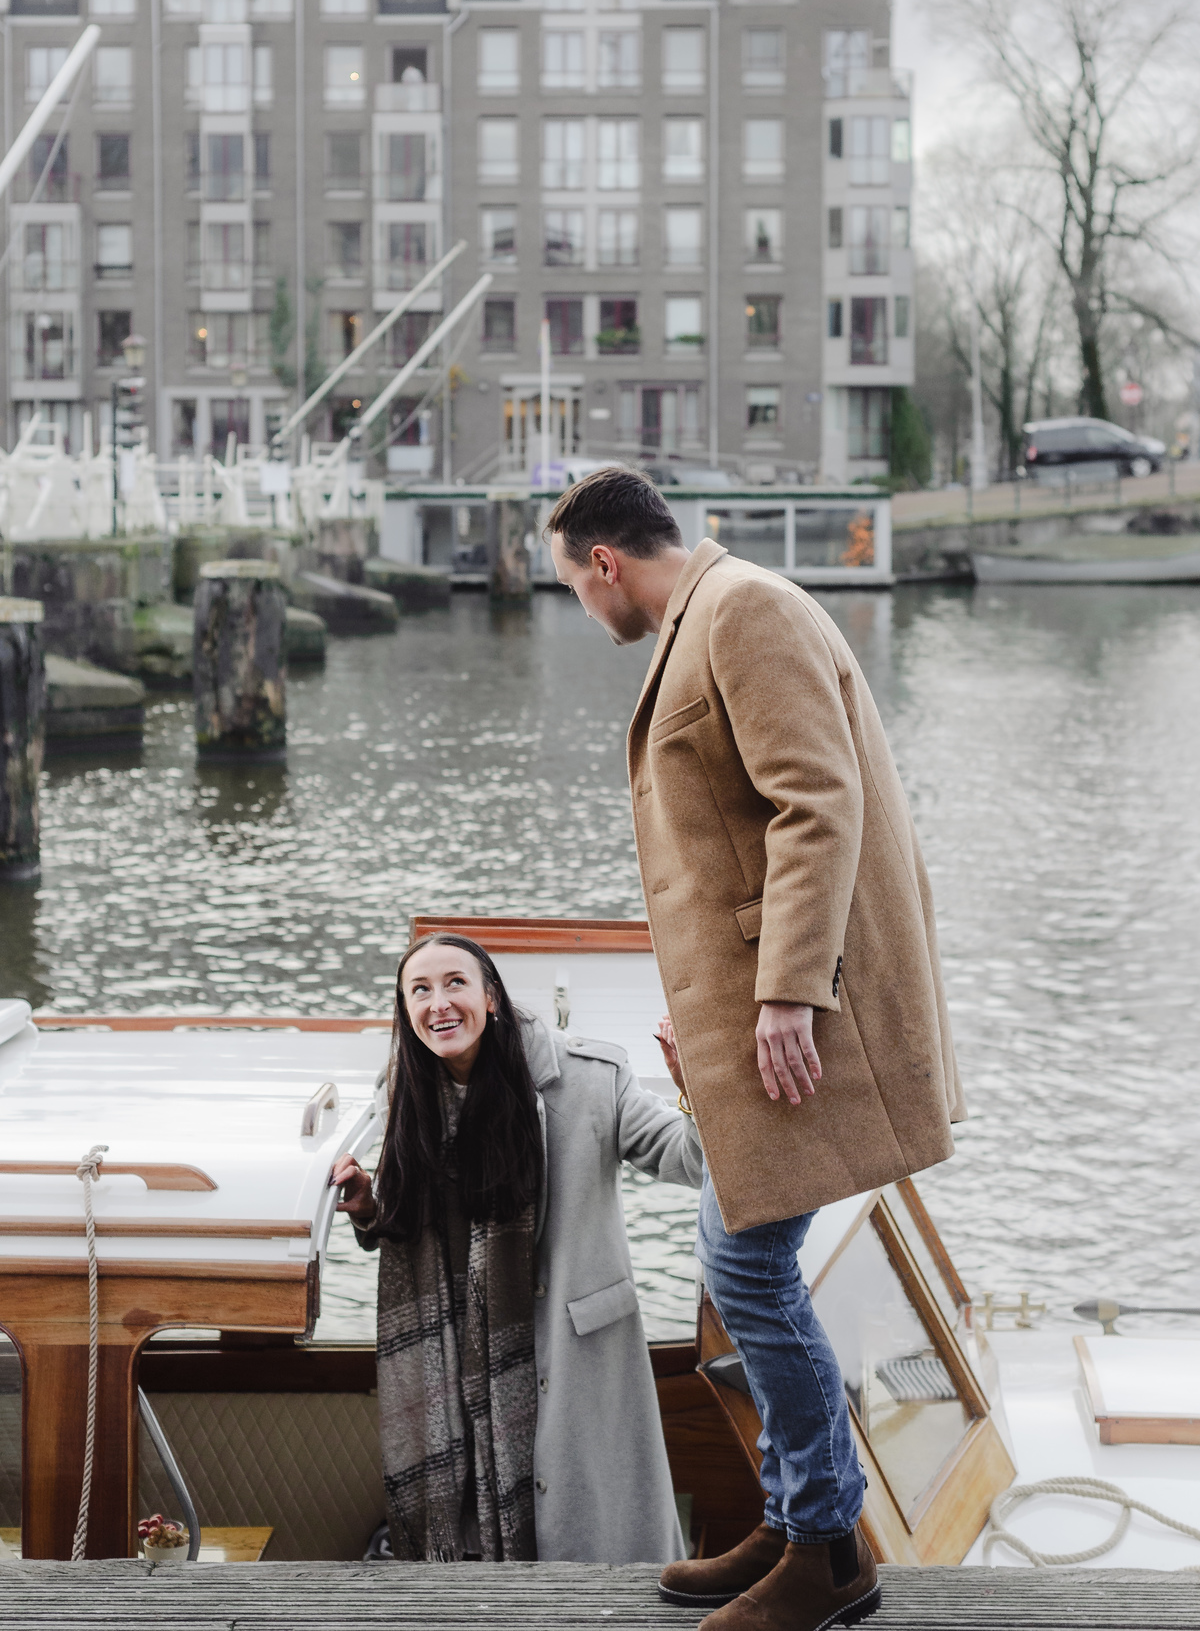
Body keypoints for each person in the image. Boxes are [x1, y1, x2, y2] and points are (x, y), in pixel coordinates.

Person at [548, 469, 965, 1631]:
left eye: (572, 584)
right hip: (760, 1016)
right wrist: (716, 1007)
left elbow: (816, 804)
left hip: (805, 1017)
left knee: (745, 1271)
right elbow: (732, 847)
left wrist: (784, 997)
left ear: (604, 564)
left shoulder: (742, 611)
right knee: (734, 1253)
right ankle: (795, 1524)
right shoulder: (708, 618)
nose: (582, 607)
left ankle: (829, 1550)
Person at [331, 930, 703, 1565]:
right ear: (405, 1011)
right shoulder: (403, 1092)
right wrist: (367, 1205)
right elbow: (412, 1221)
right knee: (478, 1518)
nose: (438, 1003)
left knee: (593, 1541)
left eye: (455, 984)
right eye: (419, 990)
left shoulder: (592, 1077)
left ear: (492, 997)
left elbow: (691, 1160)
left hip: (573, 1342)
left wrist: (696, 1089)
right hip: (458, 1349)